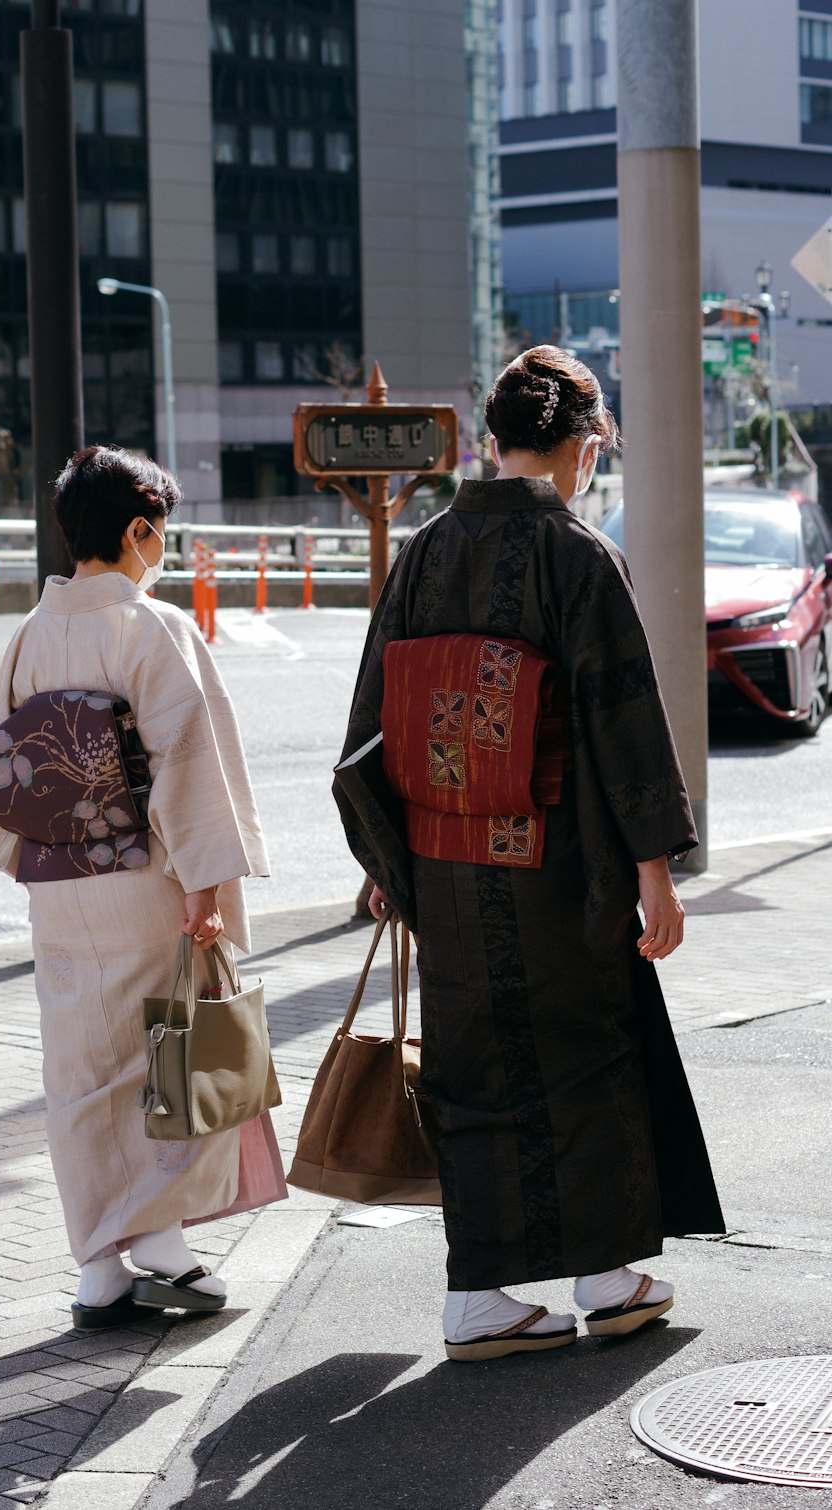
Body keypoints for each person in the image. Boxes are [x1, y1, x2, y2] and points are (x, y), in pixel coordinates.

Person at [333, 346, 724, 1362]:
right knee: (589, 1055)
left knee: (470, 1070)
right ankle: (607, 1276)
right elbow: (620, 719)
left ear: (490, 442)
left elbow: (372, 725)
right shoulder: (578, 555)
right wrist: (653, 872)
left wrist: (388, 860)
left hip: (445, 862)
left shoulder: (423, 550)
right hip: (555, 860)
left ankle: (478, 1296)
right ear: (583, 449)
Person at [0, 444, 286, 1330]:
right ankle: (162, 1250)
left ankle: (99, 1271)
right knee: (170, 1053)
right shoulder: (152, 628)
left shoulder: (32, 635)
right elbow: (188, 763)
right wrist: (206, 891)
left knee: (81, 1072)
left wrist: (28, 854)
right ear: (137, 529)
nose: (164, 551)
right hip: (147, 878)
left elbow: (5, 765)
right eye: (161, 534)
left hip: (60, 885)